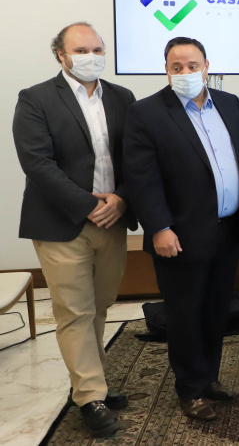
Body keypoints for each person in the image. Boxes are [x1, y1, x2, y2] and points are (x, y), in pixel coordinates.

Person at [123, 37, 239, 420]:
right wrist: (158, 228)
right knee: (185, 314)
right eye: (177, 66)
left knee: (216, 309)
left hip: (226, 228)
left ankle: (210, 379)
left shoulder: (230, 105)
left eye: (192, 65)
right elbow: (142, 180)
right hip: (178, 236)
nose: (186, 72)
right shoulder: (147, 113)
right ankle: (190, 389)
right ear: (166, 69)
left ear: (207, 65)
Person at [12, 22, 136, 438]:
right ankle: (89, 395)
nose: (91, 55)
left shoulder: (122, 97)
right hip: (61, 223)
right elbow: (37, 163)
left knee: (100, 306)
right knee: (75, 311)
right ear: (61, 55)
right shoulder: (35, 99)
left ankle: (91, 380)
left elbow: (134, 158)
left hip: (113, 220)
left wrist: (119, 197)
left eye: (97, 48)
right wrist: (88, 206)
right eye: (81, 49)